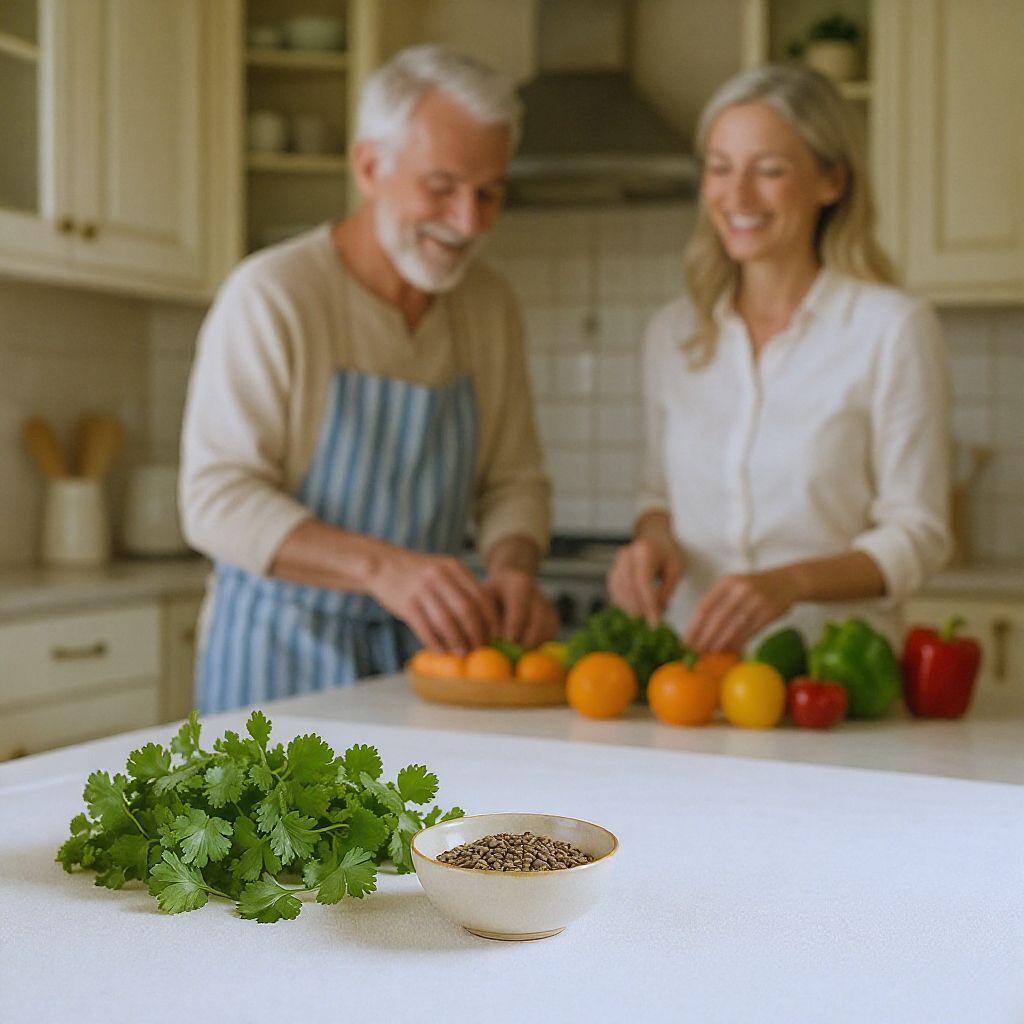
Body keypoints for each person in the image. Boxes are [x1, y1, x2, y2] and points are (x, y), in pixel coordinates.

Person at [180, 45, 556, 713]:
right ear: (369, 166)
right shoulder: (275, 294)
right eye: (441, 187)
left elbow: (513, 479)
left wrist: (512, 569)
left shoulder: (488, 306)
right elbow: (214, 497)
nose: (468, 222)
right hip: (273, 660)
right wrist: (384, 569)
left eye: (488, 192)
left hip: (418, 668)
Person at [608, 64, 952, 655]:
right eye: (719, 169)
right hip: (696, 681)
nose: (736, 197)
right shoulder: (674, 334)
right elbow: (657, 497)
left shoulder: (891, 330)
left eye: (768, 171)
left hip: (836, 679)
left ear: (832, 181)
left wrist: (791, 584)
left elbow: (918, 534)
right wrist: (652, 543)